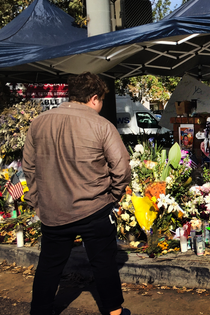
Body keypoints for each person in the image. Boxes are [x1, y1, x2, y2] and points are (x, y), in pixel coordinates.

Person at [23, 72, 132, 315]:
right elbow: (122, 168)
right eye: (101, 100)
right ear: (94, 98)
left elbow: (28, 167)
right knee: (103, 263)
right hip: (93, 207)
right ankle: (114, 311)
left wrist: (37, 201)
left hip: (53, 210)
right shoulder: (101, 124)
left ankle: (39, 311)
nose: (101, 105)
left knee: (49, 265)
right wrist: (112, 196)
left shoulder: (38, 123)